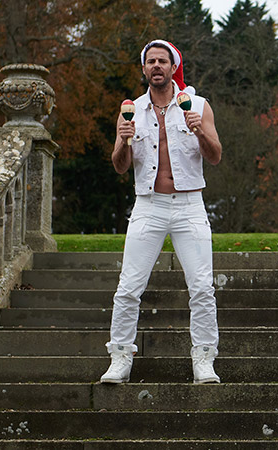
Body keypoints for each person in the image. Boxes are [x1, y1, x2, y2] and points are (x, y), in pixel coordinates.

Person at [100, 39, 223, 384]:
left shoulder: (197, 105)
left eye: (162, 61)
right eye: (150, 61)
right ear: (144, 69)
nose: (156, 66)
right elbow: (120, 167)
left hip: (189, 205)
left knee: (201, 287)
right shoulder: (130, 110)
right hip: (148, 204)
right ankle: (120, 358)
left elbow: (214, 156)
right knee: (128, 287)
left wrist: (199, 130)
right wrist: (123, 140)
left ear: (173, 67)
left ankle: (204, 359)